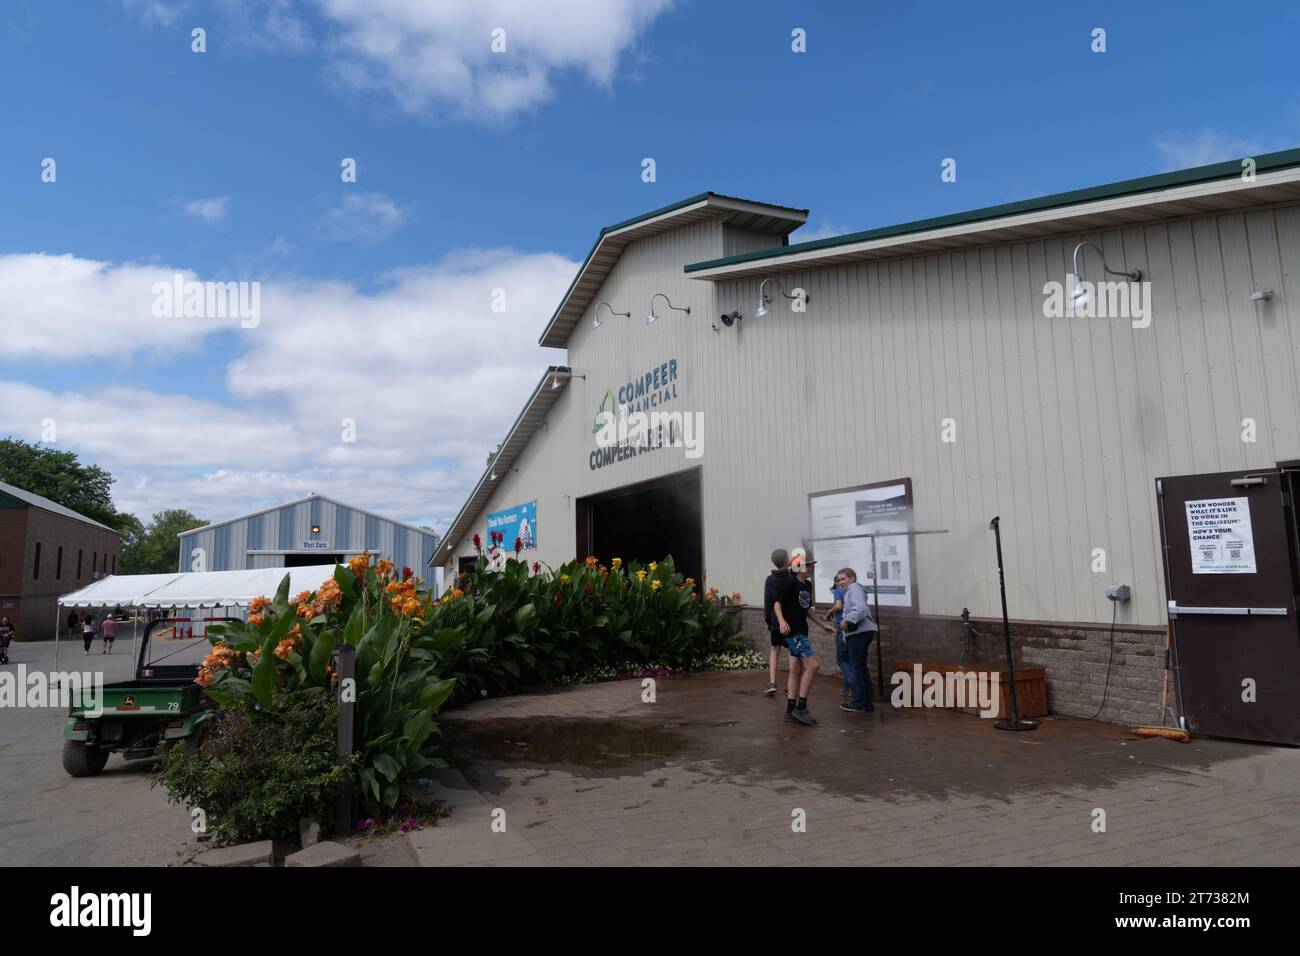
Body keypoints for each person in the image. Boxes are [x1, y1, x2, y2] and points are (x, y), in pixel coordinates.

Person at [772, 549, 834, 725]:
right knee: (814, 665)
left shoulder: (807, 585)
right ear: (797, 567)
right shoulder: (789, 584)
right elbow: (777, 604)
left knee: (795, 669)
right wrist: (782, 622)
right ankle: (801, 708)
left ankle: (790, 712)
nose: (810, 568)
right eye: (807, 565)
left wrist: (823, 625)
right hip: (793, 633)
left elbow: (807, 609)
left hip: (802, 631)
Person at [836, 568, 879, 713]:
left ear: (852, 578)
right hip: (861, 633)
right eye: (839, 580)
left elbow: (860, 609)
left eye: (843, 579)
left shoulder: (853, 590)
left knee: (855, 667)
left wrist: (847, 621)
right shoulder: (853, 590)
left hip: (860, 633)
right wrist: (845, 633)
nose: (840, 582)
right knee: (860, 667)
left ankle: (857, 703)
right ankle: (866, 703)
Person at [762, 548, 791, 695]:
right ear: (787, 560)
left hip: (775, 621)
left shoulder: (770, 579)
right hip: (791, 621)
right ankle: (792, 685)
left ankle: (772, 683)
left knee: (775, 650)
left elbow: (768, 602)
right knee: (793, 651)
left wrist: (768, 620)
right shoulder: (792, 577)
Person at [826, 580, 851, 696]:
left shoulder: (838, 590)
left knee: (841, 659)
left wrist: (829, 612)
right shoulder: (849, 590)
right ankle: (847, 687)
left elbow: (838, 605)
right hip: (851, 625)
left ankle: (853, 683)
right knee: (848, 658)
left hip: (842, 625)